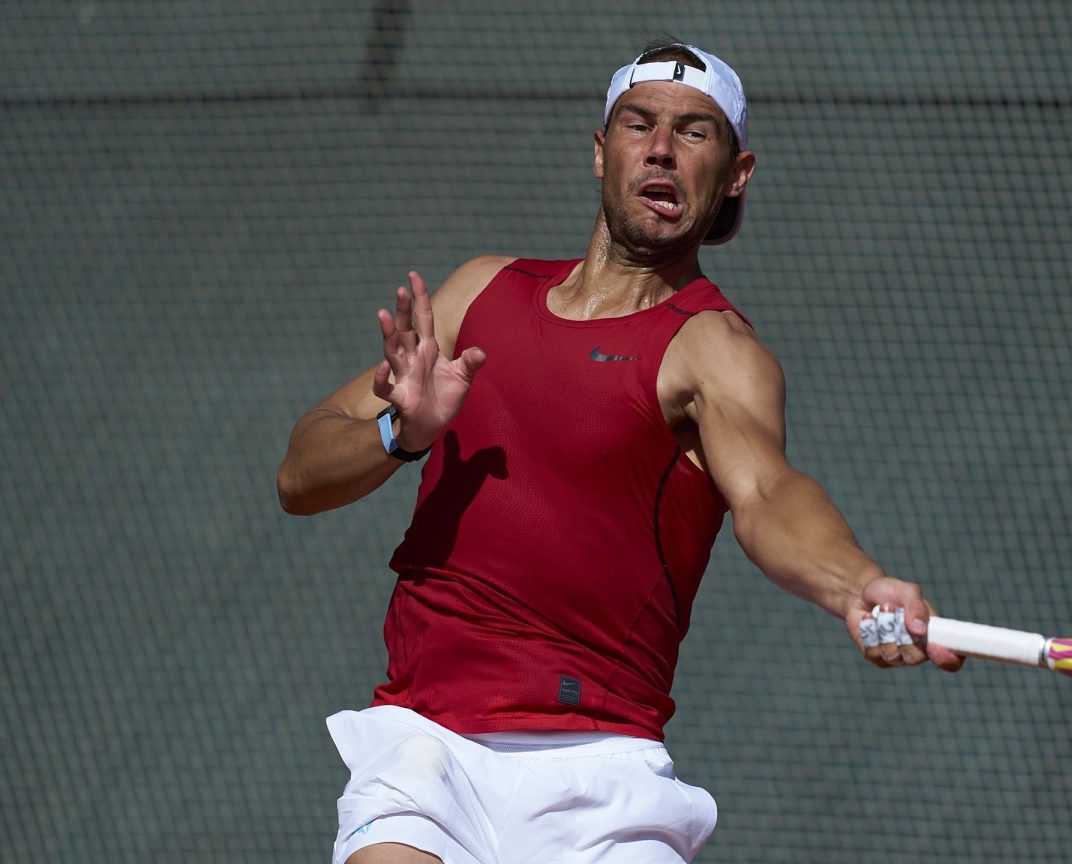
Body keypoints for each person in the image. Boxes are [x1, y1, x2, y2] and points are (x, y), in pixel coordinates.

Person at [277, 38, 962, 864]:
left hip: (601, 778)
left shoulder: (716, 351)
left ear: (736, 173)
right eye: (640, 125)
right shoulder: (479, 294)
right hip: (424, 750)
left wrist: (855, 585)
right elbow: (299, 476)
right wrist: (400, 434)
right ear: (602, 151)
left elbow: (769, 495)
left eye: (694, 132)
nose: (662, 148)